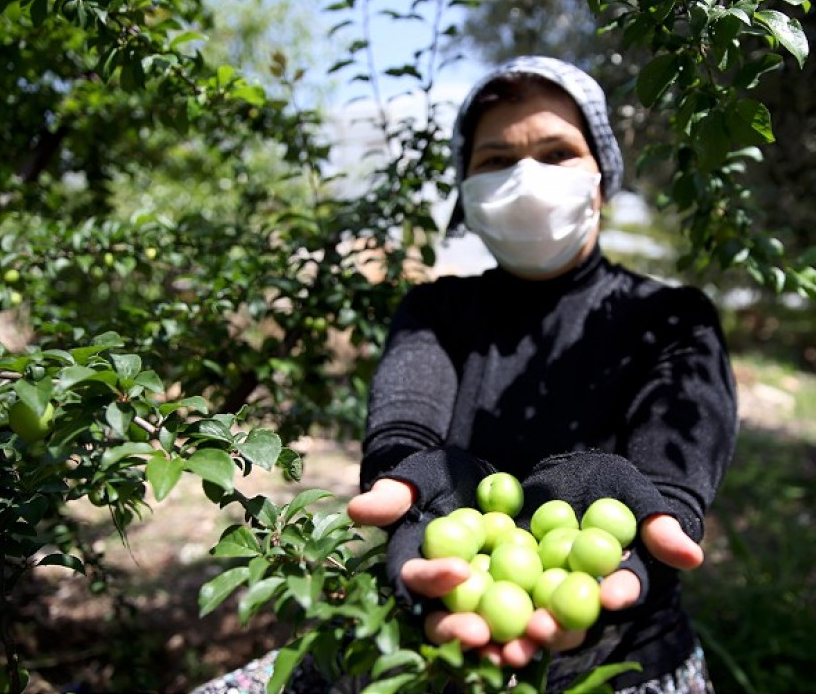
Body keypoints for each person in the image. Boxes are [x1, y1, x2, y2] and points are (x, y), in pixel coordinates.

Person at [193, 55, 737, 694]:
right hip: (426, 652)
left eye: (557, 152)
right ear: (467, 189)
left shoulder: (671, 319)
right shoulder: (436, 311)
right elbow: (406, 432)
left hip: (629, 662)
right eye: (496, 160)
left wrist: (653, 507)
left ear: (601, 176)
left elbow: (670, 479)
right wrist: (413, 479)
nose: (526, 177)